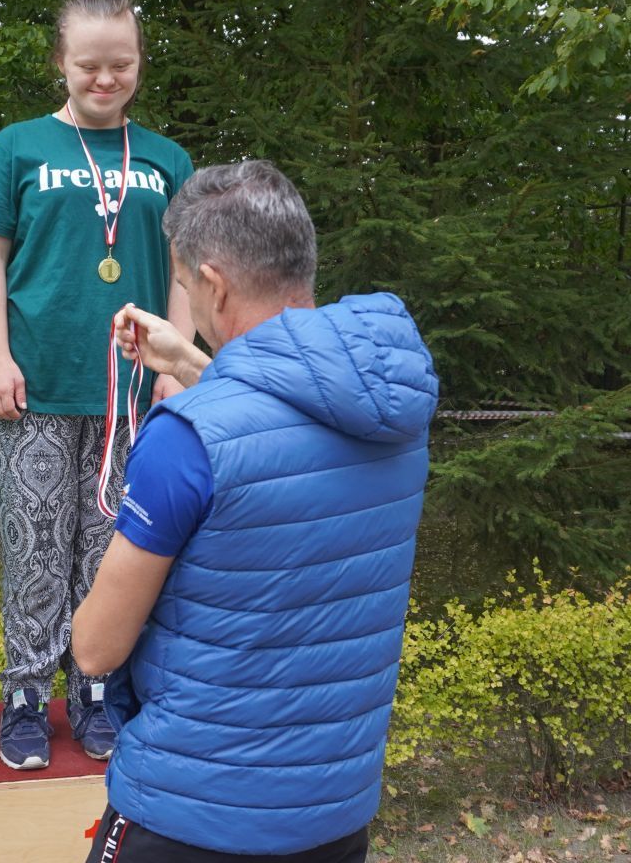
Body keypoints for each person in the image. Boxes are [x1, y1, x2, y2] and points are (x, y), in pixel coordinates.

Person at [71, 160, 438, 862]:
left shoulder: (184, 440)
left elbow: (96, 649)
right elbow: (283, 429)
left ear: (212, 282)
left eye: (184, 286)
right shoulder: (391, 414)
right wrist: (188, 359)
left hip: (188, 814)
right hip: (331, 817)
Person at [0, 0, 196, 770]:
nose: (105, 79)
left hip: (130, 396)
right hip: (35, 388)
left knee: (111, 552)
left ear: (139, 64)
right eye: (89, 65)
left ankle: (94, 690)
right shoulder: (17, 147)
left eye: (121, 64)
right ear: (60, 62)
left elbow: (188, 271)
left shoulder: (166, 158)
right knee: (34, 549)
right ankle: (24, 699)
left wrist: (177, 362)